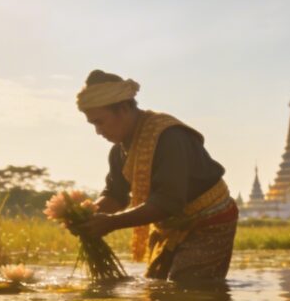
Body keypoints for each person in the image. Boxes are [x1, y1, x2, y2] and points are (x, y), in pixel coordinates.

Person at [73, 69, 238, 281]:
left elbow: (168, 202)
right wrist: (86, 215)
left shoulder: (168, 137)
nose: (98, 131)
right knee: (156, 286)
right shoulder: (119, 151)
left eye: (100, 122)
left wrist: (110, 223)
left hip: (209, 218)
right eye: (93, 124)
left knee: (187, 287)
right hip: (170, 223)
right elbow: (115, 195)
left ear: (123, 108)